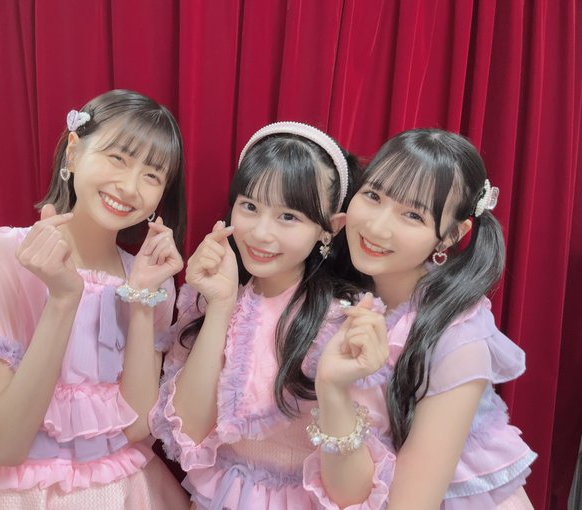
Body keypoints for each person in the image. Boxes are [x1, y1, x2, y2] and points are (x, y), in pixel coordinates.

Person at [0, 89, 191, 509]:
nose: (129, 187)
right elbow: (6, 445)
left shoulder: (153, 282)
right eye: (117, 158)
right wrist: (62, 299)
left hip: (124, 494)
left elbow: (135, 432)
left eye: (152, 175)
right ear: (73, 152)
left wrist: (141, 302)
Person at [150, 122, 395, 509]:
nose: (261, 233)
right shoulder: (211, 296)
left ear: (330, 229)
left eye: (289, 217)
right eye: (250, 206)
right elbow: (188, 436)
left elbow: (353, 496)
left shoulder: (343, 322)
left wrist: (333, 387)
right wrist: (220, 307)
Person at [344, 128, 537, 509]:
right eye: (373, 196)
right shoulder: (346, 289)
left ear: (450, 236)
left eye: (412, 215)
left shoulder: (458, 336)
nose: (376, 227)